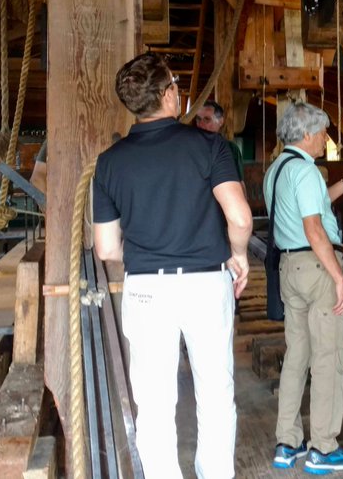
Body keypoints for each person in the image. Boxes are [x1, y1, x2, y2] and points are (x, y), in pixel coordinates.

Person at [92, 53, 252, 479]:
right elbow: (239, 218)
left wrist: (147, 253)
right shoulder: (210, 146)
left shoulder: (110, 162)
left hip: (146, 289)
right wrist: (238, 253)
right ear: (168, 95)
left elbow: (106, 248)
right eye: (175, 85)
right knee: (215, 393)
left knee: (155, 403)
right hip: (205, 283)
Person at [265, 101, 343, 475]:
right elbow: (313, 228)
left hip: (289, 268)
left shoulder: (278, 169)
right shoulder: (307, 170)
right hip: (317, 267)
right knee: (328, 357)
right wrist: (339, 277)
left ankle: (287, 442)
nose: (325, 139)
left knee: (297, 354)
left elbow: (309, 209)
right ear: (307, 134)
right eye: (323, 132)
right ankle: (324, 448)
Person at [195, 100, 245, 181]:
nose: (201, 124)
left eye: (207, 119)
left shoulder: (231, 149)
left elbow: (239, 182)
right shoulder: (190, 147)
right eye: (198, 119)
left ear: (220, 121)